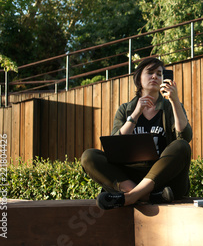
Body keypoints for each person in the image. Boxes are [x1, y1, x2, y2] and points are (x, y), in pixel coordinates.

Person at [81, 57, 192, 210]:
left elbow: (185, 137)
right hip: (133, 178)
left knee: (181, 146)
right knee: (89, 157)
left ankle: (132, 197)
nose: (155, 76)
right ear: (139, 78)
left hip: (164, 180)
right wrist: (135, 114)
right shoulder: (126, 109)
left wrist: (175, 101)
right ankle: (145, 195)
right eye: (150, 72)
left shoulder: (171, 106)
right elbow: (114, 145)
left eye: (159, 74)